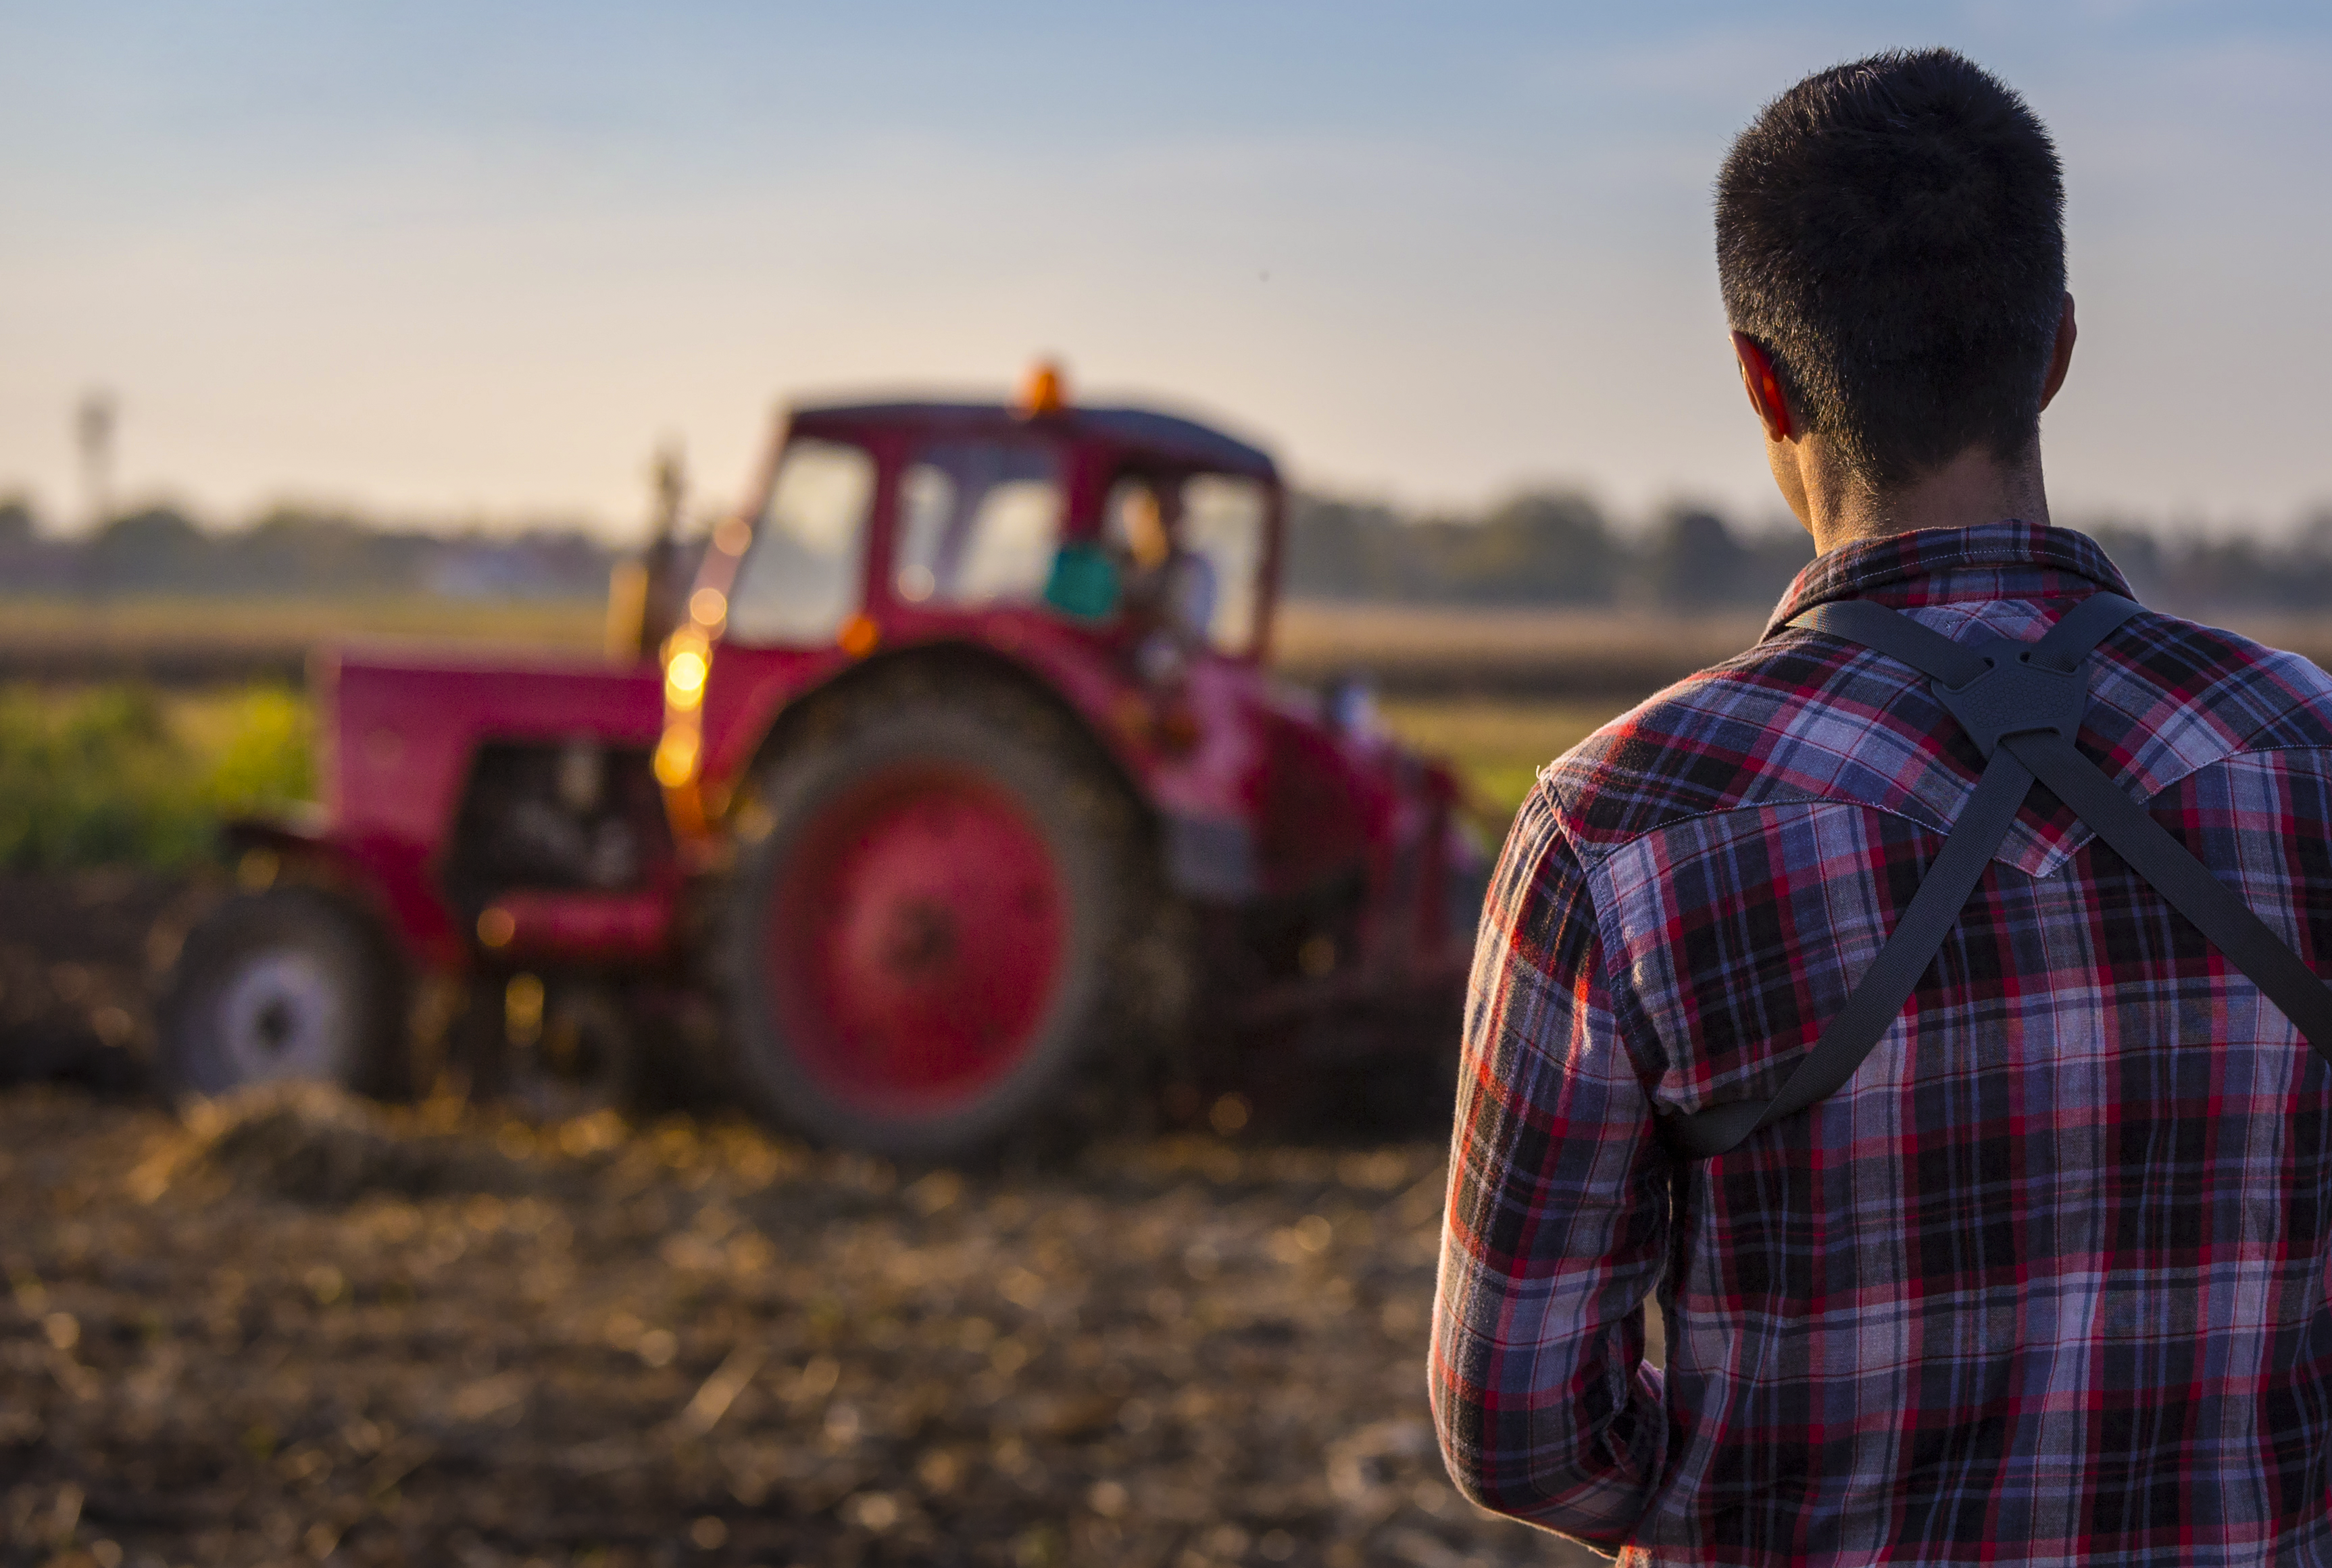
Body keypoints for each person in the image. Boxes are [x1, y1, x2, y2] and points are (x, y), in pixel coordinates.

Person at [1431, 49, 2332, 1565]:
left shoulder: (1623, 823)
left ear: (1761, 379)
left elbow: (1516, 1420)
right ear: (2054, 350)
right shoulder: (2308, 753)